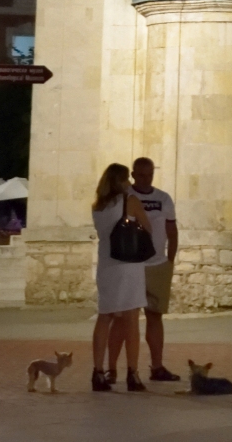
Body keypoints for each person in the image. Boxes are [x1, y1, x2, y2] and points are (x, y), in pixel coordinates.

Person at [91, 163, 154, 392]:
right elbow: (148, 228)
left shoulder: (98, 207)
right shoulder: (130, 202)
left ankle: (98, 372)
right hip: (129, 265)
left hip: (107, 264)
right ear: (121, 180)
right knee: (130, 318)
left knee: (104, 317)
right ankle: (132, 374)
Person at [129, 157, 181, 382]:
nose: (145, 179)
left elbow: (172, 230)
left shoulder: (163, 198)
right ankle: (119, 369)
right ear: (133, 175)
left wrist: (170, 260)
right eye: (141, 175)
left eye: (149, 174)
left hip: (157, 264)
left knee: (155, 316)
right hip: (131, 265)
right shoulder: (125, 197)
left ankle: (157, 366)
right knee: (125, 318)